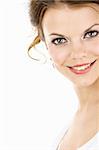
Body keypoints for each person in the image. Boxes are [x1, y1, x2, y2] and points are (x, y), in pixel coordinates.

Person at [28, 0, 99, 149]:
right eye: (59, 40)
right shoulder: (66, 125)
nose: (78, 54)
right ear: (45, 44)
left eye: (91, 33)